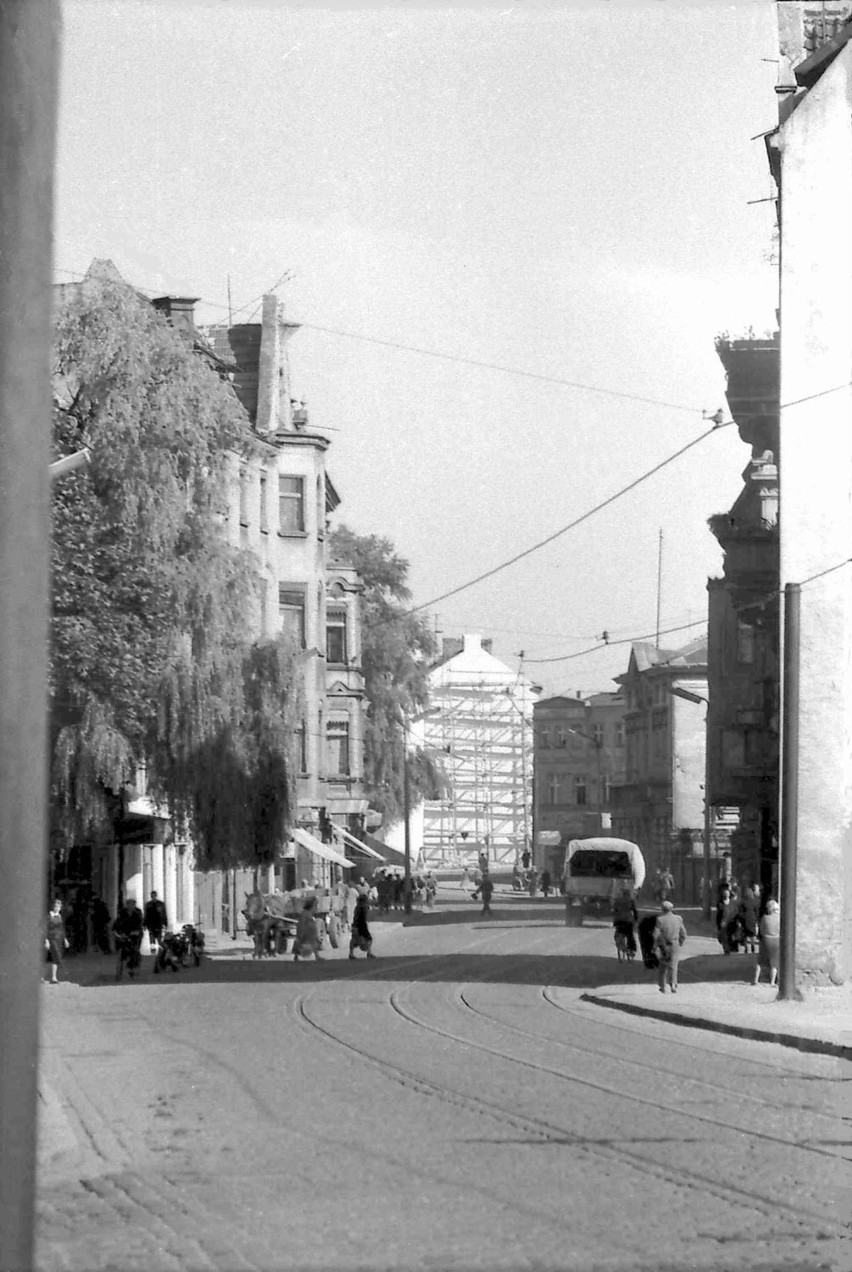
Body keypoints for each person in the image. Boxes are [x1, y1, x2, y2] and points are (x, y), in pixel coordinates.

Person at [652, 899, 687, 993]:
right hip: (675, 944)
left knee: (663, 965)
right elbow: (683, 933)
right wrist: (680, 942)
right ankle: (673, 985)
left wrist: (654, 945)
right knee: (674, 965)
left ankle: (663, 986)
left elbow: (656, 934)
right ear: (671, 909)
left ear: (662, 909)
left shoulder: (660, 920)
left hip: (663, 945)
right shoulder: (678, 918)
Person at [112, 897, 144, 975]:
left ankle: (132, 966)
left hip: (134, 934)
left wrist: (136, 932)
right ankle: (121, 959)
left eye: (132, 905)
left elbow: (139, 924)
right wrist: (117, 932)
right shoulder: (122, 913)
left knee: (134, 949)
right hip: (124, 934)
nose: (130, 906)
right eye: (129, 905)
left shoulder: (137, 913)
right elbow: (117, 924)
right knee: (121, 945)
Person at [753, 898, 780, 986]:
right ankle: (772, 982)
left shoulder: (764, 918)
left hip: (765, 939)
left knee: (760, 961)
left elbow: (761, 929)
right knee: (774, 963)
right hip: (775, 940)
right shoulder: (779, 919)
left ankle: (755, 980)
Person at [44, 898, 69, 984]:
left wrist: (65, 939)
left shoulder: (59, 916)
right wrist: (46, 940)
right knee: (53, 957)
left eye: (59, 907)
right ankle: (44, 976)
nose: (57, 908)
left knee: (54, 958)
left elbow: (61, 929)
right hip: (51, 939)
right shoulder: (49, 916)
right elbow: (45, 929)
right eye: (56, 906)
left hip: (59, 940)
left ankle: (53, 977)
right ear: (53, 907)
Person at [293, 896, 323, 961]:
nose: (317, 908)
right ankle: (296, 957)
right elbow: (301, 925)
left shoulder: (309, 914)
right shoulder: (304, 914)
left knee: (314, 944)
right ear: (312, 906)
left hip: (311, 936)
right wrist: (301, 935)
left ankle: (317, 956)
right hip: (305, 936)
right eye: (316, 906)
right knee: (301, 945)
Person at [348, 888, 375, 959]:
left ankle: (351, 953)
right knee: (369, 939)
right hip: (362, 925)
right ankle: (369, 953)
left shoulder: (357, 907)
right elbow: (365, 917)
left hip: (355, 925)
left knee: (353, 939)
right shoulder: (364, 907)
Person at [611, 887, 638, 955]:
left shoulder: (618, 900)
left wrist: (614, 919)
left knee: (617, 933)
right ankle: (632, 950)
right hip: (628, 921)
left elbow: (614, 910)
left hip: (619, 920)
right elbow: (635, 911)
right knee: (630, 935)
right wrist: (636, 920)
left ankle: (619, 944)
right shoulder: (631, 901)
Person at [740, 883, 761, 954]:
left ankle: (746, 947)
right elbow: (757, 912)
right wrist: (757, 921)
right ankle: (752, 946)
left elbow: (741, 912)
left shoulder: (743, 902)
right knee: (752, 935)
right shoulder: (755, 902)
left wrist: (740, 920)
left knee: (745, 934)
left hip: (745, 919)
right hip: (752, 919)